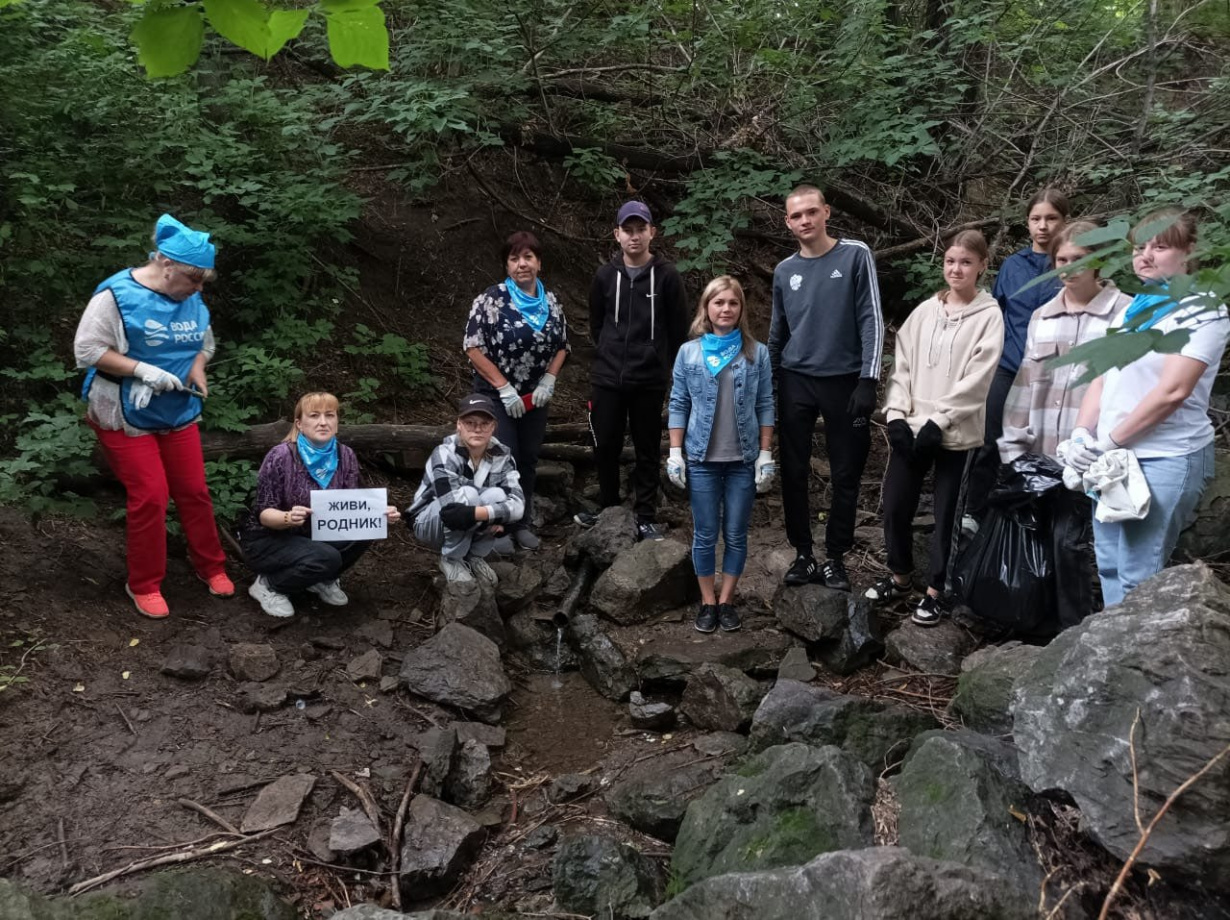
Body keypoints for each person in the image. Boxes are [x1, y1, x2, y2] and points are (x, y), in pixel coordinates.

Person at [74, 213, 234, 619]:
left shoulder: (190, 296)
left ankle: (210, 566)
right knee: (150, 495)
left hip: (176, 408)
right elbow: (87, 351)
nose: (198, 289)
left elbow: (204, 343)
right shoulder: (115, 296)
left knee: (194, 490)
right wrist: (142, 370)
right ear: (165, 264)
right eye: (192, 279)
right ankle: (143, 583)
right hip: (123, 411)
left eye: (203, 282)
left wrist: (197, 366)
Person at [1068, 209, 1229, 607]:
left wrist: (1107, 441)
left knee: (1140, 575)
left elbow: (1172, 391)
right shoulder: (1133, 309)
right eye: (1140, 247)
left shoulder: (1203, 309)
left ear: (1189, 251)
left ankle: (1134, 664)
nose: (1146, 255)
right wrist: (1080, 434)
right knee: (1108, 565)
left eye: (1160, 246)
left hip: (1164, 456)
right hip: (1113, 458)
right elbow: (1101, 377)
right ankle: (1108, 660)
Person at [997, 221, 1133, 629]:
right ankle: (1039, 627)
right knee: (1043, 541)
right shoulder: (1043, 315)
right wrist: (1013, 447)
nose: (1070, 267)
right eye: (1062, 260)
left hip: (1094, 456)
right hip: (1042, 453)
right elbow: (1025, 382)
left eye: (1080, 259)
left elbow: (1129, 386)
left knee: (1074, 547)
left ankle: (1079, 631)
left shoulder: (1125, 312)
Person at [863, 231, 1004, 626]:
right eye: (950, 262)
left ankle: (936, 590)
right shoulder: (926, 311)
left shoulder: (988, 317)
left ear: (981, 266)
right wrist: (895, 416)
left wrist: (939, 421)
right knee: (895, 505)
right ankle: (900, 575)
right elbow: (902, 365)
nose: (956, 269)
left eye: (965, 262)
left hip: (955, 434)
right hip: (912, 428)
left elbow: (978, 379)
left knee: (946, 516)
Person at [769, 185, 884, 590]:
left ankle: (835, 556)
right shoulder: (785, 270)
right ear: (787, 221)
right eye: (796, 215)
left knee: (845, 473)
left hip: (845, 381)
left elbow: (872, 318)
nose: (805, 221)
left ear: (826, 213)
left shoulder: (855, 255)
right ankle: (803, 553)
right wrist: (770, 381)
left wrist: (868, 379)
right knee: (795, 471)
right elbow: (777, 331)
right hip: (795, 379)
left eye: (811, 212)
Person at [667, 277, 775, 633]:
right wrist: (675, 452)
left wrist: (764, 453)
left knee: (736, 533)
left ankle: (727, 600)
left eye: (732, 303)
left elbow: (765, 404)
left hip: (742, 460)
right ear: (706, 308)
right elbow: (679, 403)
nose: (725, 309)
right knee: (704, 534)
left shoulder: (756, 353)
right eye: (718, 303)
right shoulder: (690, 352)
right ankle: (707, 602)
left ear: (741, 309)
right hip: (701, 460)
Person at [578, 201, 689, 541]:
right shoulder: (604, 276)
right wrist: (610, 353)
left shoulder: (667, 275)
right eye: (628, 230)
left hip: (648, 378)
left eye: (641, 229)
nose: (635, 236)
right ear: (617, 235)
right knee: (606, 443)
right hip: (608, 376)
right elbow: (597, 324)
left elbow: (679, 328)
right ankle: (609, 508)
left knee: (645, 446)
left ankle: (644, 514)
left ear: (652, 232)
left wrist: (661, 364)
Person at [243, 392, 401, 618]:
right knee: (327, 558)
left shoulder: (346, 455)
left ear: (337, 422)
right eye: (314, 415)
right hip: (270, 539)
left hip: (317, 535)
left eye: (330, 415)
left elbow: (354, 507)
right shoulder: (280, 456)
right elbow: (264, 515)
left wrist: (380, 513)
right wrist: (288, 517)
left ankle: (322, 580)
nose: (323, 422)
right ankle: (269, 586)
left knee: (368, 528)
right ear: (299, 423)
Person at [965, 189, 1069, 522]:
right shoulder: (1013, 265)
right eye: (1035, 219)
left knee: (1044, 447)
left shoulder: (1070, 265)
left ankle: (1038, 518)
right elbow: (997, 313)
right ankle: (974, 514)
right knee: (988, 441)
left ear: (1064, 221)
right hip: (1009, 365)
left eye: (1051, 218)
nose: (1043, 226)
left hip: (1054, 372)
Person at [463, 231, 568, 550]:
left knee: (528, 458)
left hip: (535, 396)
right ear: (506, 265)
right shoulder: (490, 299)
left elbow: (562, 345)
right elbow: (473, 347)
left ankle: (521, 521)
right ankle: (497, 527)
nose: (522, 264)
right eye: (514, 258)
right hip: (497, 394)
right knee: (501, 456)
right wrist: (503, 386)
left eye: (528, 257)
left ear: (539, 262)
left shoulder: (551, 301)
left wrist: (549, 379)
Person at [406, 393, 526, 585]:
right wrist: (496, 515)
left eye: (484, 423)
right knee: (470, 495)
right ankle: (451, 559)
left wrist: (486, 512)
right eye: (470, 423)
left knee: (496, 494)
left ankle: (474, 557)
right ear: (459, 425)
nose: (477, 429)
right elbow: (454, 511)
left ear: (493, 426)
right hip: (430, 521)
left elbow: (518, 505)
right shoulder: (445, 453)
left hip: (470, 518)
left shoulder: (503, 455)